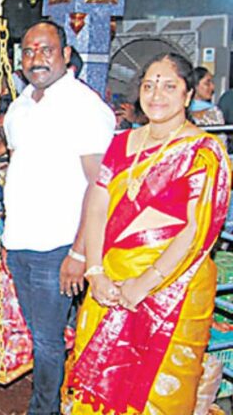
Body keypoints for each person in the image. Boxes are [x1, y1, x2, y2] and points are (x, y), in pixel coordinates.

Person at [64, 52, 231, 415]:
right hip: (110, 283)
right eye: (149, 85)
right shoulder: (122, 144)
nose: (157, 95)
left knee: (157, 393)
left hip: (173, 290)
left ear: (187, 95)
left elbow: (196, 230)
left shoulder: (204, 151)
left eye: (169, 86)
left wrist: (146, 283)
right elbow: (97, 204)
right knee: (97, 386)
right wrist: (95, 272)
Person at [3, 20, 115, 414]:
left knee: (48, 340)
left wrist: (81, 254)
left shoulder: (85, 107)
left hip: (60, 246)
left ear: (66, 55)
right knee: (40, 334)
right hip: (19, 242)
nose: (37, 59)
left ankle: (44, 409)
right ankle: (64, 398)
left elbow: (99, 187)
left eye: (46, 49)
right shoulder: (18, 108)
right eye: (29, 51)